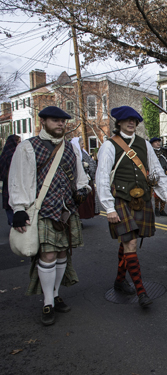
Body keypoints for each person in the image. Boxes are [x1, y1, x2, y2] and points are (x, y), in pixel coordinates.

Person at [9, 106, 90, 325]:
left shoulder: (70, 148)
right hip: (42, 211)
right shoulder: (27, 147)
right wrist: (18, 209)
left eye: (63, 121)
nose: (61, 124)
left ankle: (55, 294)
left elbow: (80, 177)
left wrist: (83, 189)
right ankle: (48, 302)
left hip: (66, 211)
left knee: (63, 254)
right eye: (55, 121)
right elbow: (17, 179)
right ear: (43, 121)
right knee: (48, 257)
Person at [96, 106, 167, 308]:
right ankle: (141, 292)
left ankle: (119, 281)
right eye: (127, 120)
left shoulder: (144, 144)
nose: (132, 123)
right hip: (121, 200)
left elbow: (156, 171)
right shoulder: (109, 146)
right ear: (119, 123)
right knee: (130, 244)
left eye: (134, 120)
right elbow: (102, 177)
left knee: (127, 243)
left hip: (141, 200)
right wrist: (109, 208)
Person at [71, 137, 98, 220]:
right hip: (79, 181)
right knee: (80, 200)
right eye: (81, 143)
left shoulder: (83, 152)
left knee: (88, 200)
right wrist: (83, 165)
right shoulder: (75, 153)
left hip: (88, 179)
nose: (83, 145)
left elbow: (92, 163)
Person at [0, 134, 21, 225]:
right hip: (14, 184)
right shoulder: (13, 155)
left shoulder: (4, 154)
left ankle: (12, 223)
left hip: (6, 185)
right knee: (14, 204)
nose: (20, 144)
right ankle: (13, 224)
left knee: (9, 205)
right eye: (19, 142)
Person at [150, 137, 167, 217]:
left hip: (164, 173)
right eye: (156, 142)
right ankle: (156, 209)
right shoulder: (150, 152)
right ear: (152, 144)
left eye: (159, 142)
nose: (158, 143)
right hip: (154, 175)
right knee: (156, 194)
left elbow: (166, 161)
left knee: (164, 192)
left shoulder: (163, 152)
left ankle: (162, 210)